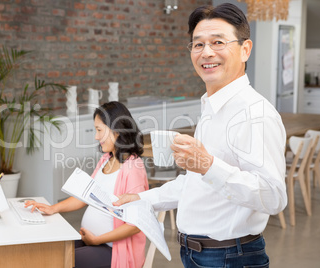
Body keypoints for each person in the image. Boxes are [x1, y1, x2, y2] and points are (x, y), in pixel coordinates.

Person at [114, 3, 287, 268]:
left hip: (229, 258)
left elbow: (274, 196)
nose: (206, 52)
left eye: (218, 42)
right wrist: (144, 198)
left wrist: (208, 165)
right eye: (198, 45)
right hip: (200, 255)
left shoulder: (255, 113)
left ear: (245, 50)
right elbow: (197, 183)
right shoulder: (211, 106)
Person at [26, 101, 148, 268]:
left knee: (59, 261)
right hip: (92, 241)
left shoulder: (133, 168)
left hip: (113, 251)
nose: (96, 137)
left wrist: (97, 239)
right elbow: (85, 197)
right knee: (50, 252)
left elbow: (135, 226)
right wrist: (53, 208)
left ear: (117, 131)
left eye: (99, 130)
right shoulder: (106, 159)